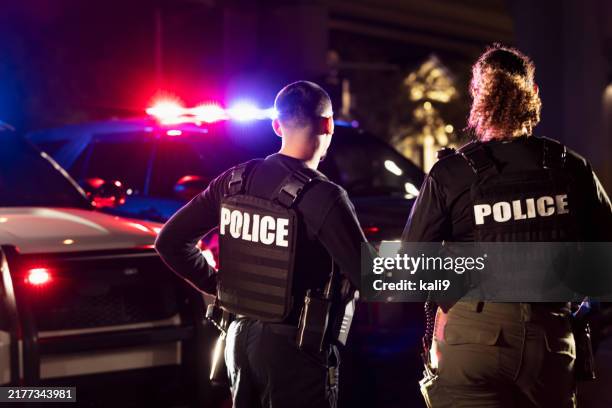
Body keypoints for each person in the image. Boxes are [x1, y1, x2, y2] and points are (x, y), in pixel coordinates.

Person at [402, 44, 612, 407]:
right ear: (532, 96)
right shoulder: (570, 167)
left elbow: (408, 266)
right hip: (550, 340)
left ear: (478, 99)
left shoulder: (452, 173)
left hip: (472, 339)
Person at [155, 80, 365, 408]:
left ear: (277, 125)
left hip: (237, 343)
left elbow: (169, 241)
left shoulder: (235, 180)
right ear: (327, 124)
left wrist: (220, 286)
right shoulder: (324, 196)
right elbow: (371, 276)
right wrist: (464, 267)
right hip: (296, 350)